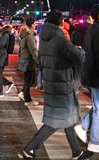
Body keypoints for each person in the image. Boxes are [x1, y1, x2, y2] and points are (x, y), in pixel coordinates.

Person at [21, 10, 90, 159]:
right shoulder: (60, 39)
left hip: (50, 81)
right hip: (61, 81)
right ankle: (30, 148)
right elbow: (78, 57)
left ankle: (76, 152)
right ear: (60, 22)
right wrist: (81, 50)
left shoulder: (44, 38)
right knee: (56, 119)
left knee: (67, 117)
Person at [75, 4, 99, 154]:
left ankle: (83, 126)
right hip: (97, 76)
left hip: (91, 74)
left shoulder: (93, 30)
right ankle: (95, 142)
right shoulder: (98, 32)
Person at [18, 18, 38, 106]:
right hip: (29, 59)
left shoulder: (25, 34)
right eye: (35, 24)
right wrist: (38, 60)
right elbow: (33, 50)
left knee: (31, 79)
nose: (36, 25)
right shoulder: (29, 36)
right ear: (32, 25)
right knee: (29, 79)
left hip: (26, 58)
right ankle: (27, 99)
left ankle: (23, 93)